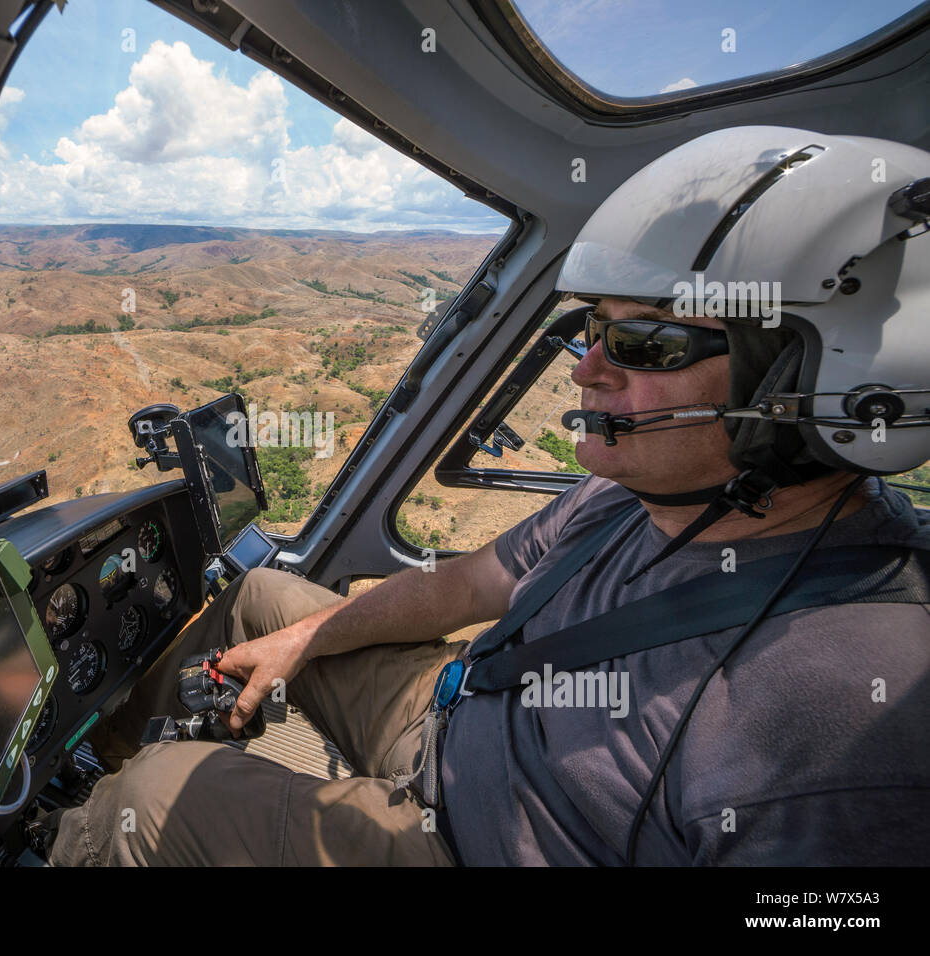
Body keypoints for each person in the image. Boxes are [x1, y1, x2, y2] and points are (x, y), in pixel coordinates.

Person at [46, 126, 930, 866]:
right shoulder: (628, 498)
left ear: (809, 391)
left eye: (644, 343)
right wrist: (303, 640)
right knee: (258, 602)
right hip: (460, 714)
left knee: (154, 802)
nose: (586, 368)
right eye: (592, 330)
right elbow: (461, 588)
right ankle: (96, 772)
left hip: (474, 842)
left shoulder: (853, 704)